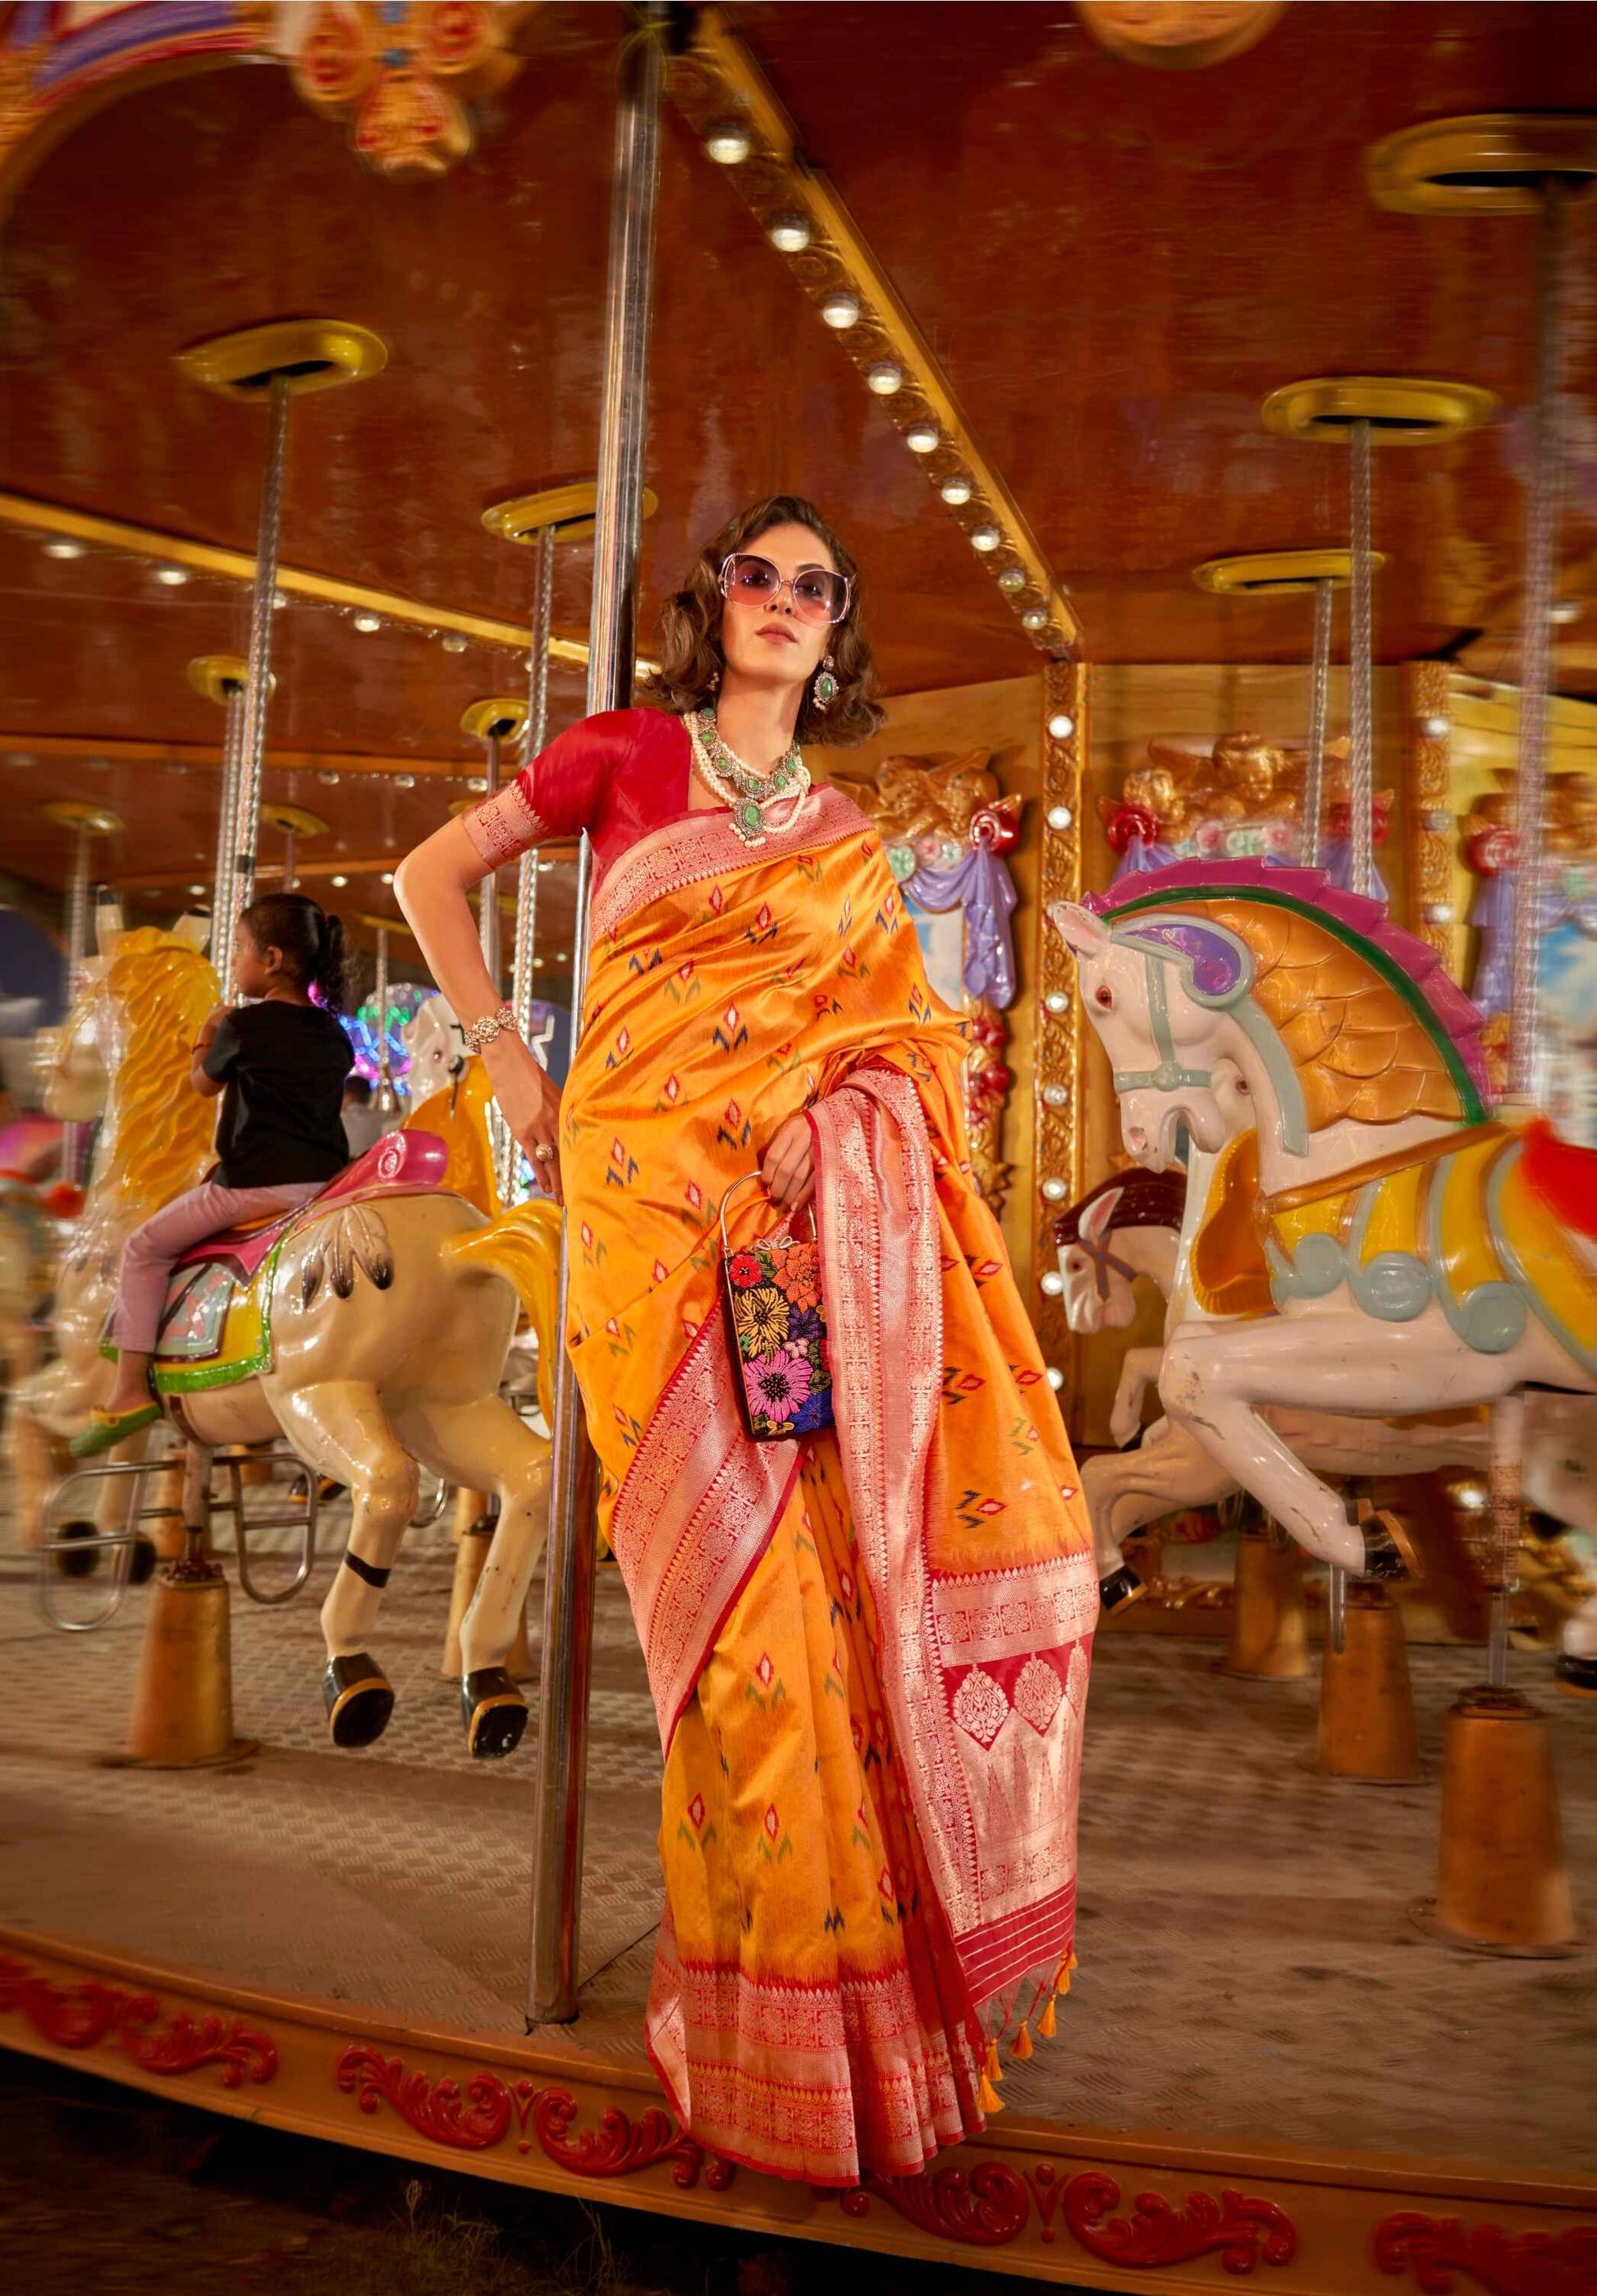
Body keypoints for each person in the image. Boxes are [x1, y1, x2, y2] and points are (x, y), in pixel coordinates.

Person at [394, 497, 1096, 2188]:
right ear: (713, 606)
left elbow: (903, 1042)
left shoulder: (846, 829)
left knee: (824, 1611)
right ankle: (766, 2031)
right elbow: (429, 874)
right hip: (643, 1215)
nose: (781, 602)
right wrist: (505, 1057)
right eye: (756, 578)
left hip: (798, 1236)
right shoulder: (624, 750)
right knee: (732, 1631)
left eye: (813, 586)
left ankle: (860, 2024)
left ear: (837, 625)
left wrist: (838, 1108)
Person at [71, 893, 353, 1456]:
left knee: (143, 1246)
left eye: (241, 949)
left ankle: (128, 1389)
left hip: (252, 1183)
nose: (237, 961)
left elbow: (202, 1083)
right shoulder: (334, 1033)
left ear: (272, 958)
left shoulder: (243, 1025)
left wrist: (210, 1026)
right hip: (323, 1185)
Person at [341, 1073, 387, 1158]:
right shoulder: (379, 1117)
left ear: (350, 1096)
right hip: (370, 1164)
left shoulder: (340, 1119)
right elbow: (397, 1112)